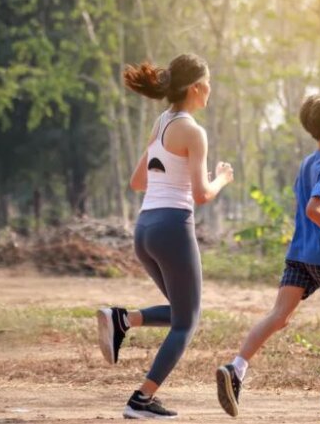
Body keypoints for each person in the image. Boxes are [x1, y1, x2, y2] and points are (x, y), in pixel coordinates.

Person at [215, 95, 320, 417]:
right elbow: (314, 209)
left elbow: (313, 210)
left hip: (300, 254)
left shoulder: (309, 162)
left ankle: (236, 369)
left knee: (279, 315)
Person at [95, 53, 234, 419]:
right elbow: (202, 194)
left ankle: (124, 319)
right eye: (209, 86)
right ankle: (141, 400)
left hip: (145, 229)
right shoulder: (193, 130)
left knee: (181, 312)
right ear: (197, 87)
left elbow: (138, 182)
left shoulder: (161, 123)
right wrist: (222, 177)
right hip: (172, 227)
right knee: (187, 321)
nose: (210, 93)